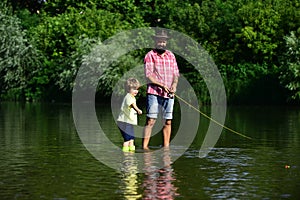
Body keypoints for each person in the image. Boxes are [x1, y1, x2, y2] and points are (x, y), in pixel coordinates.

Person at [143, 29, 180, 150]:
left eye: (164, 41)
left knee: (167, 121)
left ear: (166, 42)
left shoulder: (171, 55)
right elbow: (148, 75)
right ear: (155, 41)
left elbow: (176, 74)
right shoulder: (150, 55)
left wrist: (174, 86)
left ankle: (166, 147)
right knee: (151, 120)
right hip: (154, 92)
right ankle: (145, 148)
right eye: (159, 41)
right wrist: (161, 85)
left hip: (169, 94)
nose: (162, 43)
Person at [117, 78, 143, 152]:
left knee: (131, 139)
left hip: (128, 122)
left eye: (137, 89)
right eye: (134, 89)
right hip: (125, 122)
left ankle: (131, 154)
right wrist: (138, 110)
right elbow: (132, 105)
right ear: (128, 89)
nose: (136, 91)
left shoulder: (131, 97)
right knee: (127, 140)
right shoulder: (129, 96)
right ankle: (126, 156)